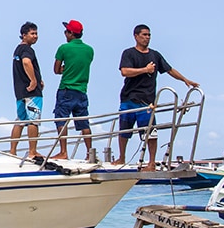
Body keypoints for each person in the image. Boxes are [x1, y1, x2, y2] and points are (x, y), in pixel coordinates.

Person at [116, 24, 200, 167]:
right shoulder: (128, 53)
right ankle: (121, 157)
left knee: (151, 133)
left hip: (147, 100)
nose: (147, 38)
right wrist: (145, 69)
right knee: (124, 130)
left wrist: (185, 80)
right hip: (129, 97)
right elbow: (125, 71)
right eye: (144, 35)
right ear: (136, 36)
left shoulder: (155, 55)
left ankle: (152, 162)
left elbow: (169, 69)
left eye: (149, 35)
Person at [50, 19, 96, 162]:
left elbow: (56, 70)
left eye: (66, 31)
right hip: (82, 90)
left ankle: (63, 151)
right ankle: (90, 153)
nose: (65, 34)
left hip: (66, 88)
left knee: (61, 120)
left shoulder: (64, 48)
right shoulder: (89, 50)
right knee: (84, 122)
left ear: (71, 33)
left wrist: (65, 68)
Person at [8, 22, 44, 160]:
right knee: (33, 121)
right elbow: (26, 62)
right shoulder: (28, 50)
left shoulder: (17, 49)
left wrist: (38, 78)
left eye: (36, 33)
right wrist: (34, 81)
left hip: (20, 91)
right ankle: (32, 151)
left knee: (20, 121)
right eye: (32, 33)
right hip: (32, 92)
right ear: (24, 35)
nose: (35, 36)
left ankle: (12, 151)